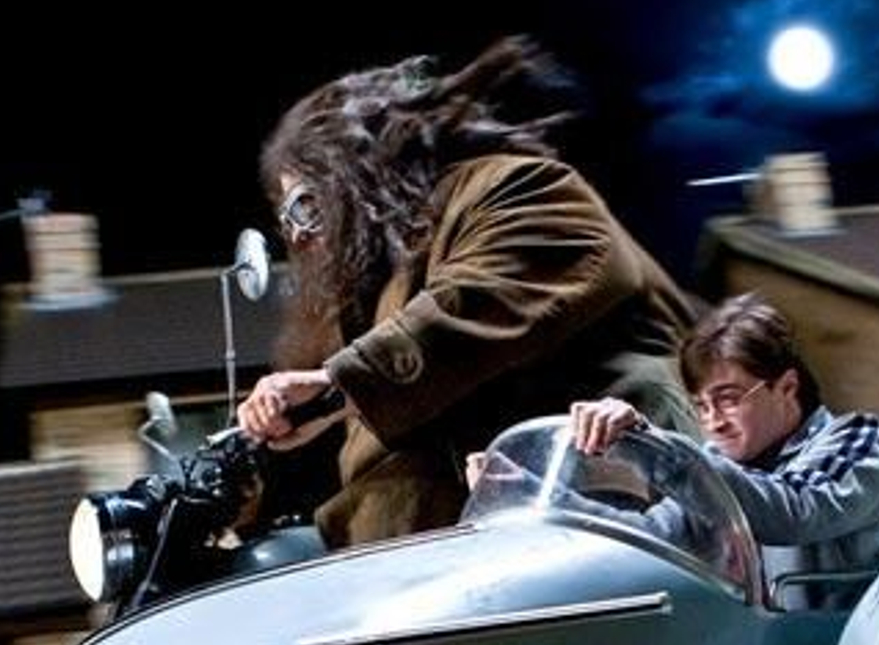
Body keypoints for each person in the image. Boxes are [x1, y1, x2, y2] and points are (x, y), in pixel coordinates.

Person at [235, 34, 700, 549]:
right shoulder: (383, 287)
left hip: (607, 525)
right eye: (286, 219)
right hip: (451, 554)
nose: (299, 235)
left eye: (305, 204)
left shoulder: (521, 190)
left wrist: (332, 385)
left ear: (356, 173)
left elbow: (471, 306)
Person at [566, 292, 879, 605]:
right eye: (701, 406)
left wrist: (651, 444)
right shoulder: (716, 469)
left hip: (848, 640)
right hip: (764, 641)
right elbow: (647, 539)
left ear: (787, 387)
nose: (713, 422)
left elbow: (796, 510)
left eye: (728, 400)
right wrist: (547, 498)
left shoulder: (857, 437)